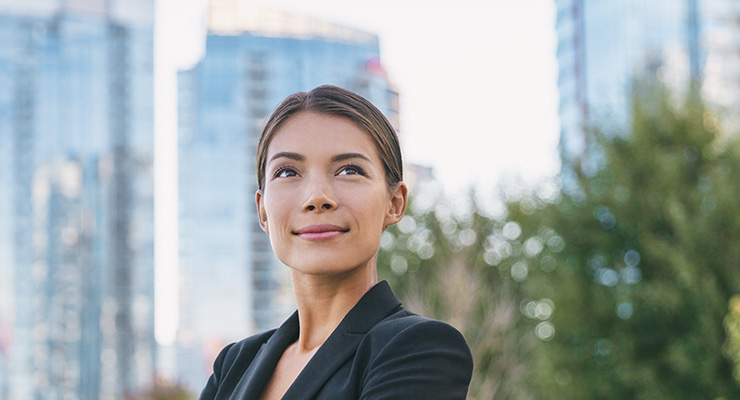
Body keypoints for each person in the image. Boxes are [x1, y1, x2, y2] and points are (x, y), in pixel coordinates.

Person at [199, 85, 473, 400]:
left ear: (394, 203)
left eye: (349, 170)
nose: (317, 197)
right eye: (288, 172)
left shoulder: (420, 348)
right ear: (262, 210)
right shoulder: (233, 366)